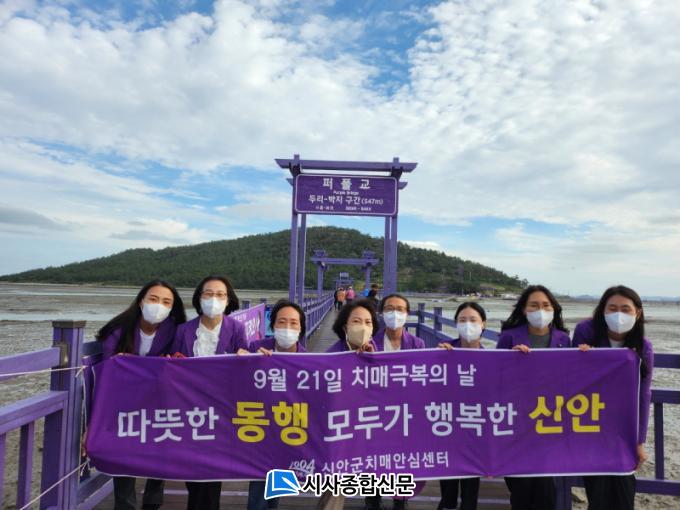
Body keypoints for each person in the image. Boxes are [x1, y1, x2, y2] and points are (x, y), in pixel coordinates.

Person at [96, 279, 186, 510]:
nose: (159, 306)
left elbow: (176, 364)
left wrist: (142, 364)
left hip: (160, 401)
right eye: (153, 299)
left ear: (172, 308)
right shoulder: (118, 331)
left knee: (162, 446)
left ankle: (153, 500)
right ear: (141, 302)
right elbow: (110, 370)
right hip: (123, 403)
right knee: (123, 453)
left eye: (166, 302)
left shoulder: (174, 330)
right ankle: (125, 505)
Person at [572, 285, 653, 510]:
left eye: (626, 309)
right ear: (603, 310)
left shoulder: (643, 346)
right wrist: (581, 358)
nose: (619, 314)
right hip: (591, 422)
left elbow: (643, 393)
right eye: (612, 308)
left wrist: (639, 441)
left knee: (624, 492)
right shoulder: (585, 331)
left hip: (622, 427)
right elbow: (570, 376)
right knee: (598, 494)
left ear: (637, 312)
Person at [173, 275, 248, 510]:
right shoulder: (183, 330)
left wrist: (247, 358)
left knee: (212, 470)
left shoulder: (237, 328)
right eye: (208, 293)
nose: (214, 299)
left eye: (220, 294)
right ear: (199, 298)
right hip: (188, 409)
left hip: (221, 411)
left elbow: (246, 364)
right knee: (191, 469)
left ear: (228, 300)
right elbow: (170, 366)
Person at [496, 285, 570, 510]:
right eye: (534, 305)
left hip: (549, 422)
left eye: (546, 305)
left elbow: (572, 376)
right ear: (524, 309)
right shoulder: (509, 337)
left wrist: (586, 354)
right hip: (517, 423)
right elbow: (494, 376)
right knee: (521, 490)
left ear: (554, 309)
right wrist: (510, 360)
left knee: (547, 492)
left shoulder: (563, 339)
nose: (541, 310)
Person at [366, 294, 426, 510]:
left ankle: (400, 499)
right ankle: (373, 498)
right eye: (390, 308)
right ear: (381, 313)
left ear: (407, 314)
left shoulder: (417, 344)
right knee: (372, 454)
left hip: (405, 410)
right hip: (374, 408)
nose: (395, 313)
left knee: (403, 455)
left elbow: (425, 376)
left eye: (400, 309)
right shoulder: (369, 341)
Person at [317, 299, 378, 510]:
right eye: (357, 321)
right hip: (341, 428)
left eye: (368, 322)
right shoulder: (331, 357)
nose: (363, 327)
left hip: (370, 426)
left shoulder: (379, 355)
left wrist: (373, 362)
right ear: (345, 327)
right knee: (337, 480)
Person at [247, 300, 307, 510]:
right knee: (259, 487)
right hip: (260, 428)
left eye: (294, 323)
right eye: (282, 322)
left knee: (280, 484)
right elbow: (237, 379)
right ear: (272, 325)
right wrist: (249, 361)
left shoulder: (309, 360)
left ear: (301, 328)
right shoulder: (256, 348)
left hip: (290, 430)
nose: (287, 327)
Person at [436, 302, 486, 510]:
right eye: (462, 320)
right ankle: (447, 504)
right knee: (448, 477)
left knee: (471, 480)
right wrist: (436, 358)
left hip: (475, 424)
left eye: (473, 320)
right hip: (447, 424)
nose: (468, 324)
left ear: (483, 324)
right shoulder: (444, 349)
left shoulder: (493, 357)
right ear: (456, 324)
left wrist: (519, 358)